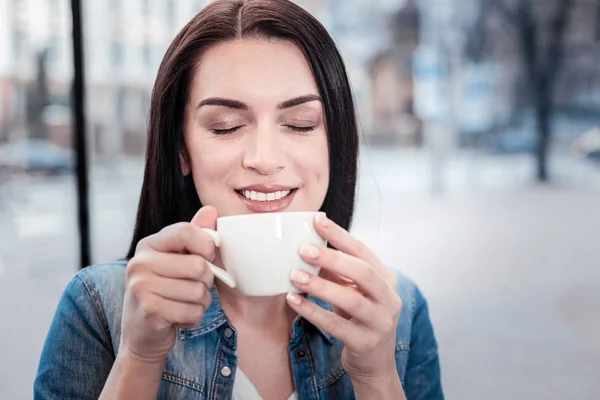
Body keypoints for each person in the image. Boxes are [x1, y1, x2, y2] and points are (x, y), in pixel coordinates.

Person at [34, 0, 443, 399]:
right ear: (181, 149)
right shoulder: (99, 307)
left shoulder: (399, 311)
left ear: (335, 140)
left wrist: (377, 379)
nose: (264, 160)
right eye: (227, 127)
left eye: (300, 124)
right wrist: (139, 357)